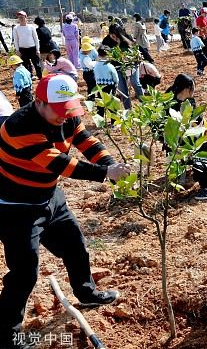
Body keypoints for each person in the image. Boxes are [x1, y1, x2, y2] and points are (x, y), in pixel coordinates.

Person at [0, 74, 130, 349]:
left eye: (67, 110)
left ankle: (86, 292)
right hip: (16, 206)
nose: (64, 117)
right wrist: (107, 173)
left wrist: (110, 162)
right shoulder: (19, 127)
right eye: (58, 111)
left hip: (49, 196)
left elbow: (85, 141)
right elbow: (62, 165)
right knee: (24, 272)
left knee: (75, 245)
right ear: (39, 102)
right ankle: (7, 334)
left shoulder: (67, 114)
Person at [164, 74, 207, 200]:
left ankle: (205, 180)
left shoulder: (190, 102)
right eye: (193, 88)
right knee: (198, 159)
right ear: (187, 88)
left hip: (195, 138)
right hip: (182, 140)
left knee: (203, 159)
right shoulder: (171, 105)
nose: (194, 91)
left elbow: (201, 122)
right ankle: (201, 184)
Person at [12, 11, 42, 80]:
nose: (21, 19)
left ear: (26, 18)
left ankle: (40, 77)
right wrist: (17, 50)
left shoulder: (31, 27)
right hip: (22, 49)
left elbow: (36, 39)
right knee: (26, 64)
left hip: (32, 48)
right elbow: (16, 40)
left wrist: (37, 49)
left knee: (37, 64)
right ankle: (30, 77)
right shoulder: (16, 28)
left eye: (22, 17)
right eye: (19, 18)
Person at [93, 46, 120, 116]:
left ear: (98, 55)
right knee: (111, 103)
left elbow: (95, 76)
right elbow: (116, 78)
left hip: (100, 86)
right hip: (110, 86)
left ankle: (100, 120)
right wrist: (116, 84)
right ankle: (113, 122)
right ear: (108, 55)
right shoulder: (110, 66)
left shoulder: (96, 65)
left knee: (100, 103)